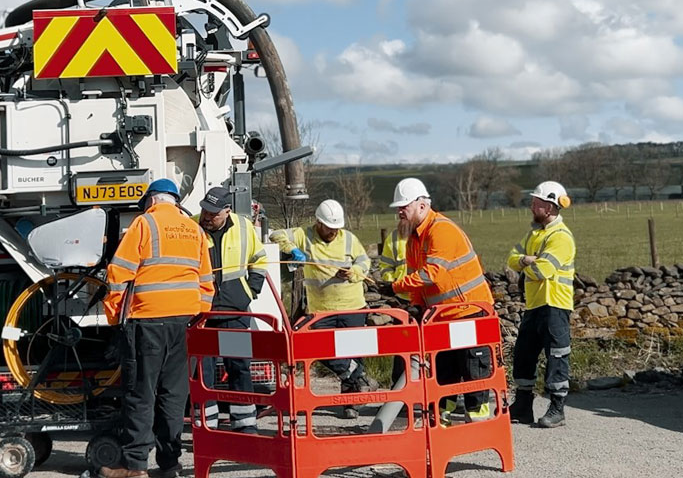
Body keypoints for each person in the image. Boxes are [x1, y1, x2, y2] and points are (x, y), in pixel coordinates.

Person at [101, 179, 215, 478]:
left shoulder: (144, 224)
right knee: (173, 396)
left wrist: (114, 316)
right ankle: (170, 464)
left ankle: (134, 467)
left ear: (151, 200)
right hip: (183, 324)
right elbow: (206, 281)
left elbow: (118, 272)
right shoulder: (195, 230)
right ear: (175, 201)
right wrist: (198, 315)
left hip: (148, 321)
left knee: (141, 393)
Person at [379, 177, 495, 424]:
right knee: (444, 373)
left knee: (473, 373)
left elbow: (433, 273)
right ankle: (441, 423)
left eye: (404, 206)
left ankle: (479, 428)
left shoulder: (441, 229)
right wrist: (417, 304)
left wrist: (395, 286)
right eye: (398, 207)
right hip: (442, 316)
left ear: (422, 205)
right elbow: (417, 278)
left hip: (469, 312)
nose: (400, 212)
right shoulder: (413, 239)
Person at [272, 199, 374, 418]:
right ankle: (355, 375)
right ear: (318, 222)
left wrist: (353, 271)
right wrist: (293, 250)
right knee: (318, 349)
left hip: (352, 307)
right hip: (321, 310)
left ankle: (350, 404)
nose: (333, 232)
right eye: (329, 228)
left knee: (353, 353)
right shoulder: (304, 234)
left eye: (336, 228)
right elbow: (276, 234)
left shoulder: (349, 239)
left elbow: (364, 262)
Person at [194, 185, 269, 433]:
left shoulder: (245, 227)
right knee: (202, 373)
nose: (207, 216)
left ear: (227, 210)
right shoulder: (193, 227)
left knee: (238, 366)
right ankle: (206, 428)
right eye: (205, 210)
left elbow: (259, 260)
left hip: (235, 313)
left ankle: (245, 425)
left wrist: (250, 291)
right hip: (202, 312)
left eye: (213, 213)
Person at [506, 180, 576, 429]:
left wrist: (525, 266)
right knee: (524, 354)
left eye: (536, 203)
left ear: (550, 206)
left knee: (557, 355)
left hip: (555, 303)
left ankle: (557, 408)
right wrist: (526, 259)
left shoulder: (561, 237)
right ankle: (523, 406)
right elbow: (511, 259)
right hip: (535, 304)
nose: (531, 206)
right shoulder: (534, 234)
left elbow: (543, 270)